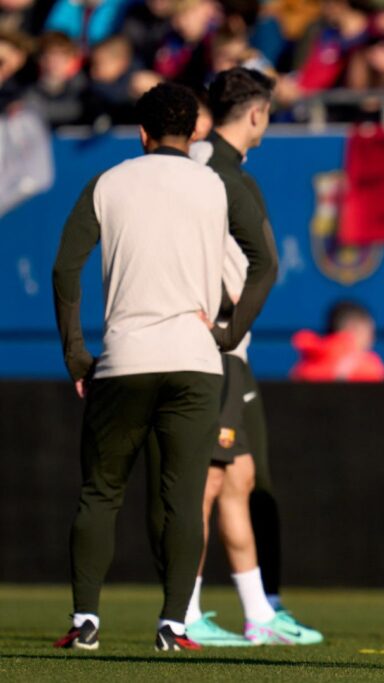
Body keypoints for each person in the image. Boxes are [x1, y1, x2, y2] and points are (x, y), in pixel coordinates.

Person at [50, 81, 276, 651]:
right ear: (196, 130)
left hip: (124, 360)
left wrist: (76, 352)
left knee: (101, 493)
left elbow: (64, 269)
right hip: (197, 363)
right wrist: (229, 332)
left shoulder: (110, 182)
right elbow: (264, 263)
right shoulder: (218, 183)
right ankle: (174, 625)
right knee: (181, 496)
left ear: (141, 132)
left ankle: (86, 622)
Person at [144, 67, 321, 647]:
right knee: (207, 485)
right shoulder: (217, 174)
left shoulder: (202, 166)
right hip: (214, 346)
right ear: (256, 114)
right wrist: (222, 327)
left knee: (237, 477)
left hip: (224, 347)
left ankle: (258, 614)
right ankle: (186, 613)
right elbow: (248, 265)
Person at [290, 300, 384, 382]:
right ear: (353, 329)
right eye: (370, 333)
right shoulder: (367, 366)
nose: (372, 340)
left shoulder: (304, 366)